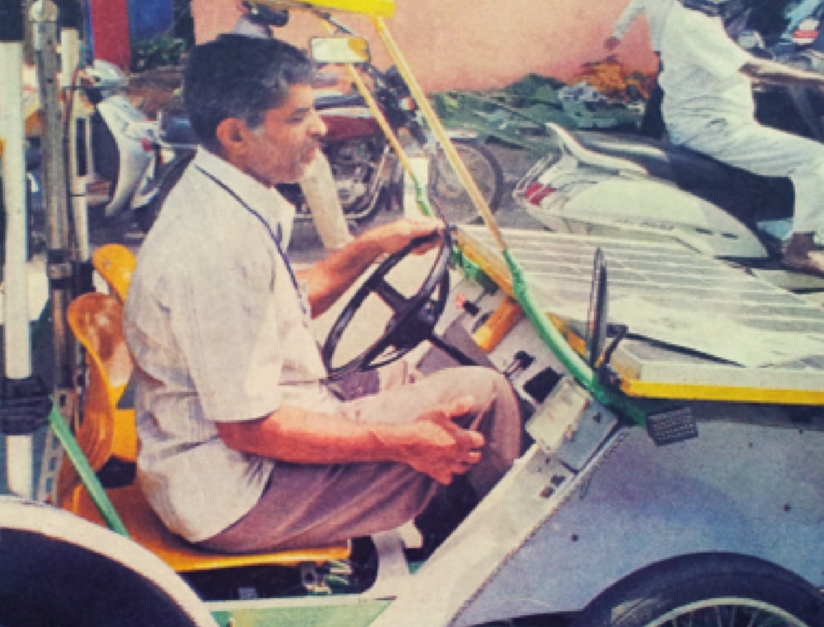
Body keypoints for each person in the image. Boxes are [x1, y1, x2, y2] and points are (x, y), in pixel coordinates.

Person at [123, 35, 523, 555]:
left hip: (234, 445)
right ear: (236, 134)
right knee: (484, 393)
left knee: (410, 369)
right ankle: (488, 561)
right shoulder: (218, 249)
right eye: (297, 117)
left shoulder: (223, 195)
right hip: (236, 490)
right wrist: (403, 442)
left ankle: (445, 521)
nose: (320, 126)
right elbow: (251, 430)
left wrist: (369, 248)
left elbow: (279, 308)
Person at [659, 0, 824, 279]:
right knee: (813, 158)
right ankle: (801, 251)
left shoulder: (706, 18)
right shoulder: (694, 22)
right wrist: (819, 81)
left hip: (713, 121)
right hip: (713, 127)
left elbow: (734, 70)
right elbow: (755, 69)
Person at [230, 1, 354, 252]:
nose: (280, 8)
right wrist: (330, 78)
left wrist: (322, 74)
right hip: (255, 125)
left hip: (254, 120)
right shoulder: (250, 37)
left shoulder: (256, 32)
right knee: (313, 164)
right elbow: (283, 80)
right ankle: (341, 246)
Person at [604, 0, 675, 137]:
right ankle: (652, 130)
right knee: (666, 88)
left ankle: (652, 130)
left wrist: (617, 34)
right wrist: (617, 33)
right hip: (671, 44)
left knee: (666, 87)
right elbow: (631, 10)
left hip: (666, 44)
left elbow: (631, 10)